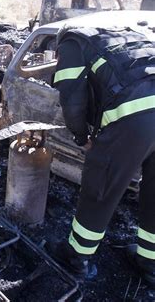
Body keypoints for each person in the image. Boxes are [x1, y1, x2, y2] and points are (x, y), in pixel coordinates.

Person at [52, 25, 155, 286]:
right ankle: (150, 263)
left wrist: (81, 137)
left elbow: (72, 97)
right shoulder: (128, 36)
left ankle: (75, 258)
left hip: (135, 115)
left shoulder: (71, 42)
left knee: (100, 188)